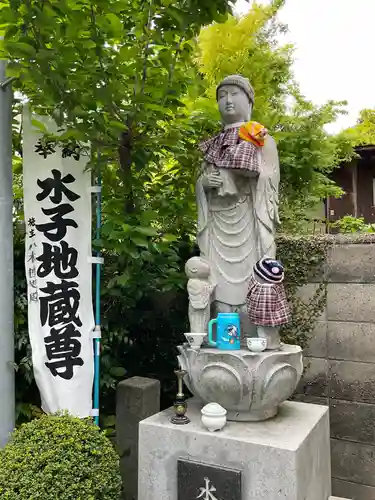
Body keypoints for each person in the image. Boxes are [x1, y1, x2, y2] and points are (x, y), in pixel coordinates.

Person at [196, 74, 280, 335]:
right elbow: (201, 181)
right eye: (222, 96)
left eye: (234, 94)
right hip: (218, 225)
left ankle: (255, 333)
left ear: (249, 100)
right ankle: (221, 334)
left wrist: (253, 172)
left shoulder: (261, 138)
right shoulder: (213, 143)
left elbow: (271, 175)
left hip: (248, 218)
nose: (228, 101)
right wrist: (203, 183)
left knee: (253, 281)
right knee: (219, 287)